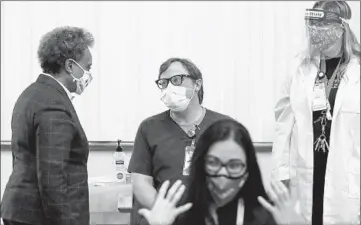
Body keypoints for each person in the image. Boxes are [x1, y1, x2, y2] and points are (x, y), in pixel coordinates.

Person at [271, 1, 360, 224]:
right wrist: (280, 174)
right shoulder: (298, 70)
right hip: (305, 173)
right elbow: (283, 127)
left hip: (348, 176)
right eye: (313, 24)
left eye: (324, 24)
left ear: (343, 27)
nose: (317, 30)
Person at [1, 26, 95, 225]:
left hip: (23, 210)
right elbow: (53, 178)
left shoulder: (32, 94)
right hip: (40, 216)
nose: (89, 74)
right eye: (88, 67)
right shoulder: (53, 103)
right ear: (70, 66)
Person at [137, 119, 305, 225]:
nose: (222, 176)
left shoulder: (269, 217)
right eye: (213, 163)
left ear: (248, 171)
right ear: (200, 165)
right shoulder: (179, 215)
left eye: (234, 165)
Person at [127, 58, 232, 225]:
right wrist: (165, 213)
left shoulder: (224, 127)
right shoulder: (149, 128)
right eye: (163, 83)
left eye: (176, 80)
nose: (169, 88)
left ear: (197, 84)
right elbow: (141, 182)